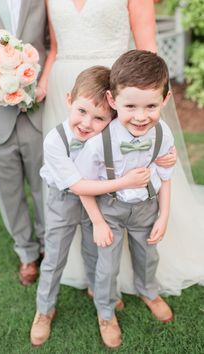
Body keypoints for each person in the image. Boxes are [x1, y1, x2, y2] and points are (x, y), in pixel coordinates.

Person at [37, 0, 204, 296]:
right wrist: (39, 86)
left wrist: (147, 115)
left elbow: (147, 48)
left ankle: (132, 268)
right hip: (69, 91)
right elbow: (54, 50)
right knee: (77, 172)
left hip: (118, 88)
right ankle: (89, 265)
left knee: (120, 161)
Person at [30, 66, 151, 347]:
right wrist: (123, 183)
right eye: (82, 111)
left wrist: (164, 159)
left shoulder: (108, 138)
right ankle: (44, 309)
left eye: (99, 118)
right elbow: (78, 186)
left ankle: (99, 293)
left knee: (95, 251)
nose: (87, 123)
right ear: (69, 99)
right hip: (63, 200)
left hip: (97, 203)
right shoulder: (54, 141)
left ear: (111, 118)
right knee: (54, 256)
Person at [75, 50, 174, 348]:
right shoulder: (98, 143)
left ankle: (148, 290)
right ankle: (105, 311)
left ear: (165, 100)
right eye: (130, 106)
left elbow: (165, 176)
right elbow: (82, 186)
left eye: (151, 106)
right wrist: (98, 223)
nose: (141, 116)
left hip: (147, 206)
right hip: (109, 210)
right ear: (112, 100)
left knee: (148, 256)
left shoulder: (162, 133)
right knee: (107, 265)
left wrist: (164, 214)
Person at [0, 0, 49, 285]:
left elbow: (51, 44)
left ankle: (48, 245)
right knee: (8, 193)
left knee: (46, 186)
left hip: (37, 109)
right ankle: (26, 252)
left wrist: (44, 82)